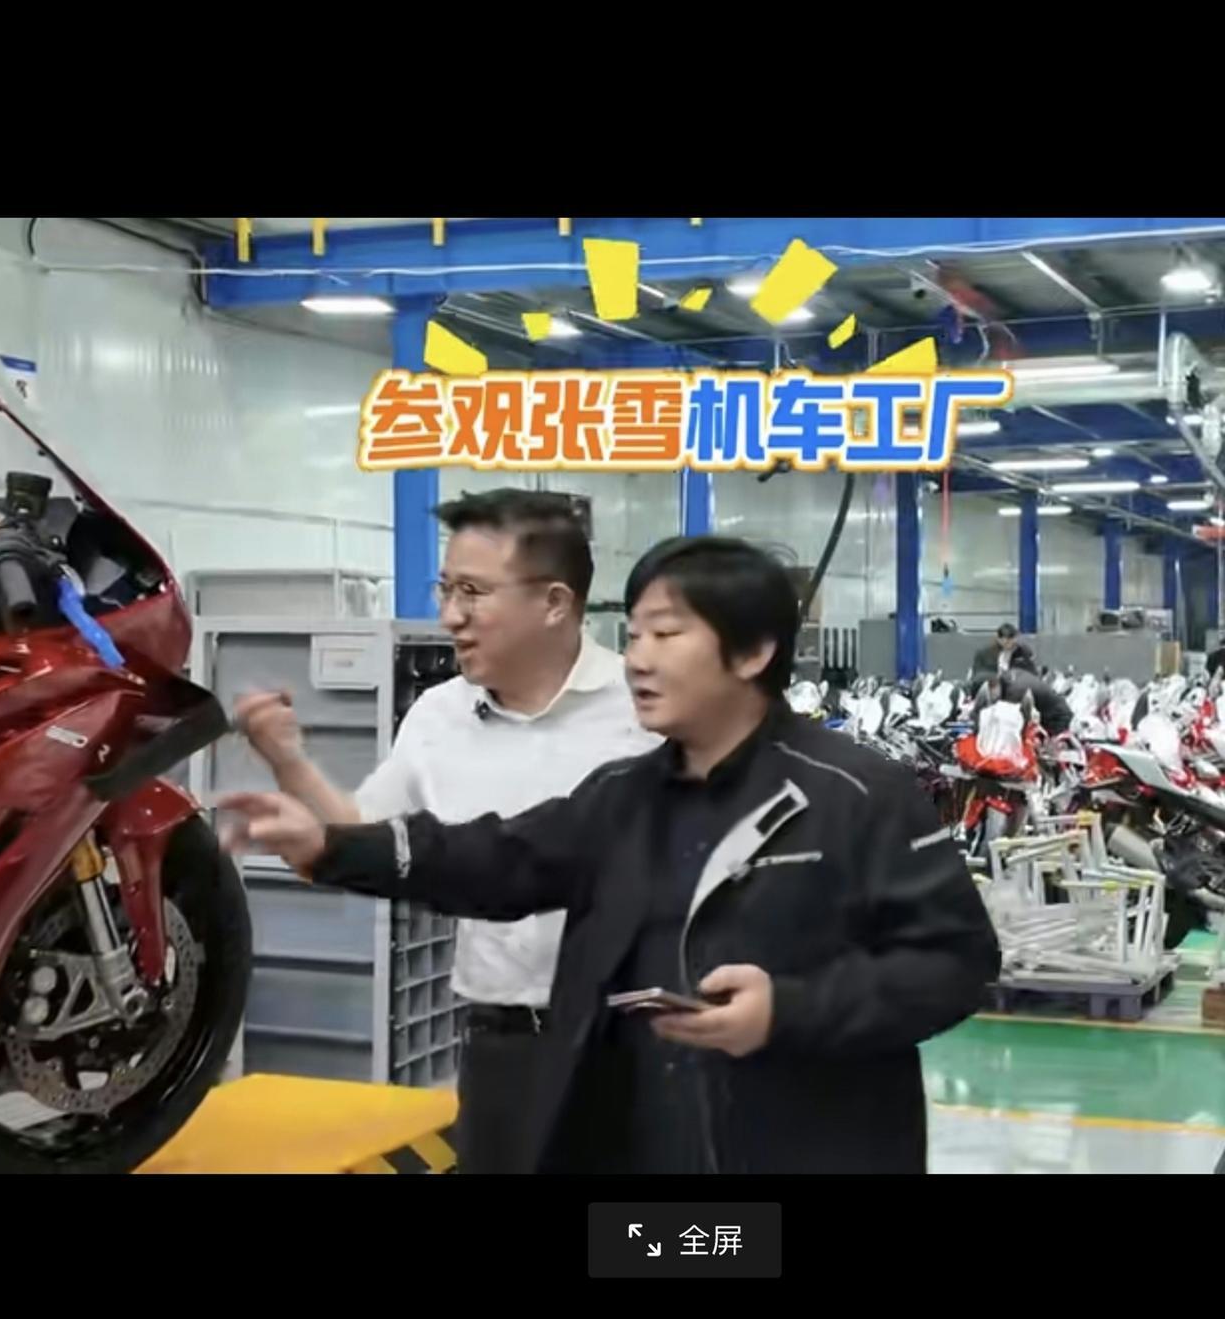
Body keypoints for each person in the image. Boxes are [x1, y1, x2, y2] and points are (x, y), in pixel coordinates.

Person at [220, 536, 1002, 1178]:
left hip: (802, 1146)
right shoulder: (622, 797)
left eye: (667, 634)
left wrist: (787, 1010)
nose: (638, 659)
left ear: (753, 652)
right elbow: (492, 859)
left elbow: (954, 963)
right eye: (632, 635)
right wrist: (331, 846)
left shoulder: (857, 793)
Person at [231, 488, 656, 1174]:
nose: (450, 614)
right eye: (446, 588)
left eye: (473, 592)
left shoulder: (643, 711)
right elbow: (366, 837)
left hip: (635, 1042)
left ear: (554, 602)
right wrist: (288, 761)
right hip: (502, 1042)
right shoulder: (438, 717)